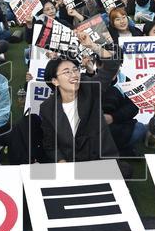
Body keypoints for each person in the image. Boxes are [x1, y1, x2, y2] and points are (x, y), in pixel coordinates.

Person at [40, 33, 122, 163]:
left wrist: (92, 46)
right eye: (67, 72)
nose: (74, 75)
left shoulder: (90, 88)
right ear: (55, 81)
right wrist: (61, 161)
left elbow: (112, 65)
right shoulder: (47, 108)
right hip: (71, 161)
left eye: (75, 70)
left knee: (125, 170)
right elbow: (50, 145)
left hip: (100, 159)